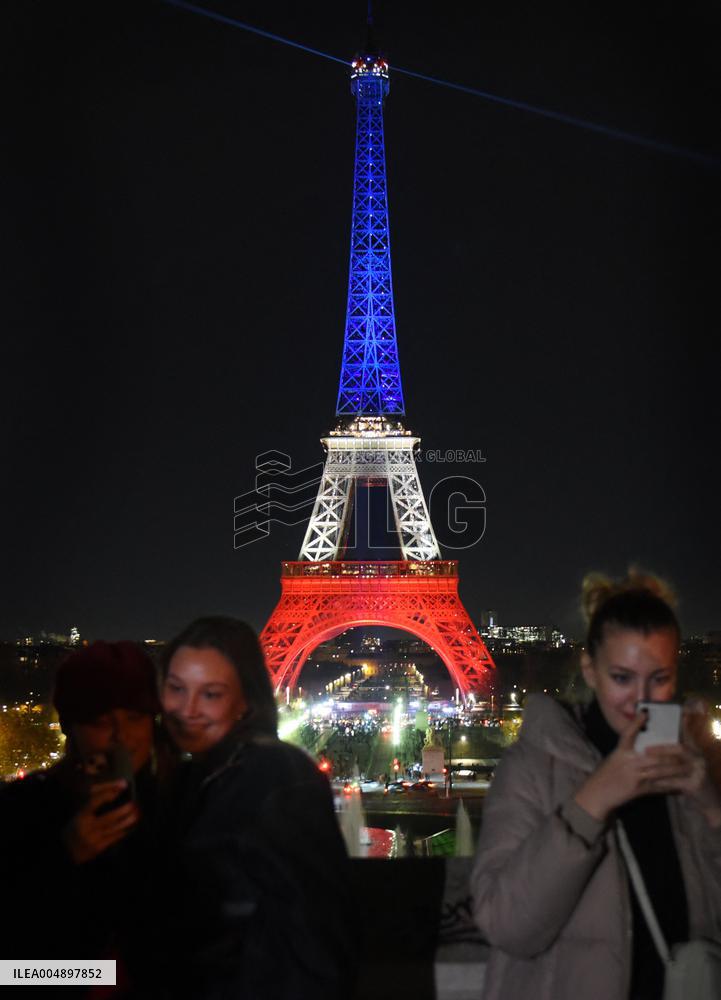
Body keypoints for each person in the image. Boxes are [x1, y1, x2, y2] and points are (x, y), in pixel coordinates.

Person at [471, 571, 721, 1000]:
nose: (641, 698)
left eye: (659, 678)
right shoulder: (530, 766)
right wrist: (593, 800)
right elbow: (505, 924)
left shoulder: (696, 767)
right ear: (589, 670)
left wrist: (713, 808)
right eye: (622, 678)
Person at [149, 616, 353, 1000]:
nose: (188, 709)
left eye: (211, 694)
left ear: (245, 699)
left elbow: (313, 942)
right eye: (177, 689)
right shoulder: (192, 778)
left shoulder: (276, 776)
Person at [0, 641, 160, 983]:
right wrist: (64, 858)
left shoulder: (184, 804)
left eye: (135, 718)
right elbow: (12, 972)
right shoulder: (19, 815)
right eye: (102, 721)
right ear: (70, 727)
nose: (122, 737)